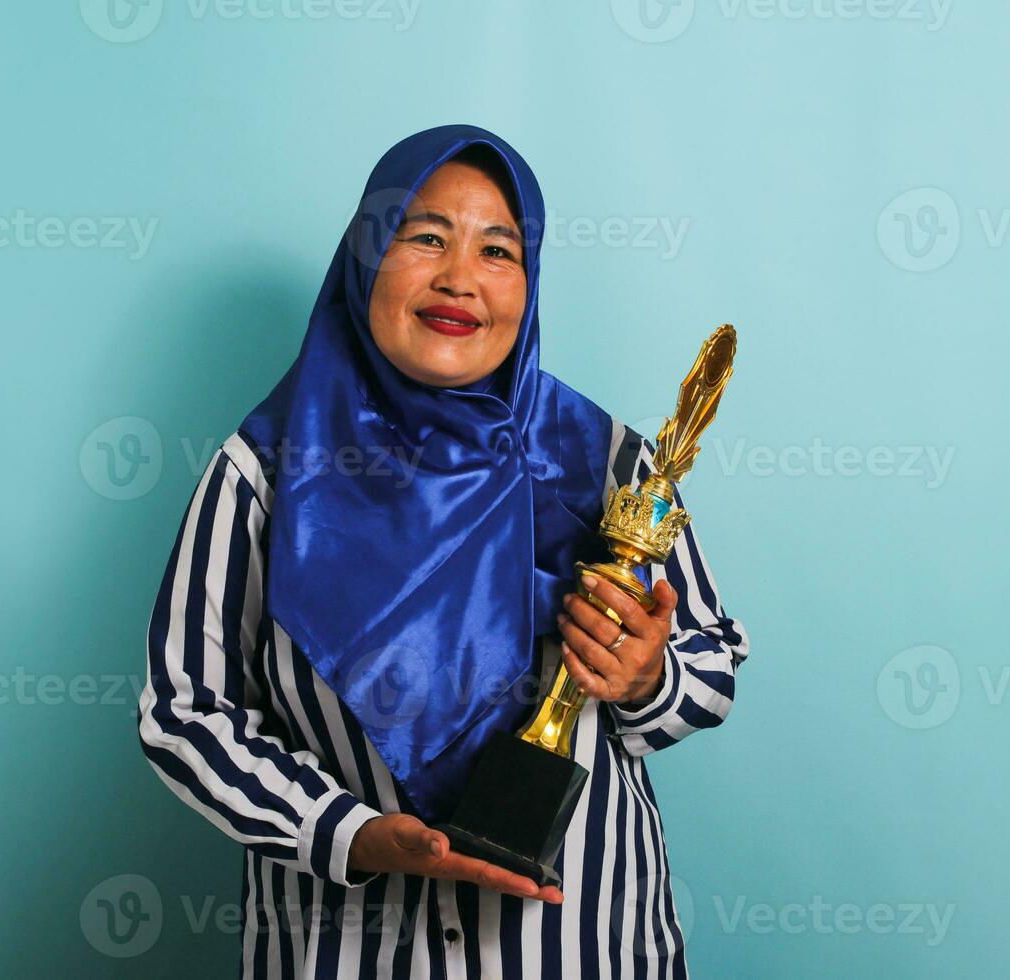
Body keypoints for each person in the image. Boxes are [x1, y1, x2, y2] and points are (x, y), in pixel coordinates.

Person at [137, 124, 749, 978]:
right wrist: (346, 834)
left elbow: (713, 664)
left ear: (528, 283)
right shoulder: (266, 471)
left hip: (584, 950)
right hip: (350, 950)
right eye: (426, 236)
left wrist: (649, 677)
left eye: (499, 250)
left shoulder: (603, 457)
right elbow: (185, 712)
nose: (460, 278)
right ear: (366, 257)